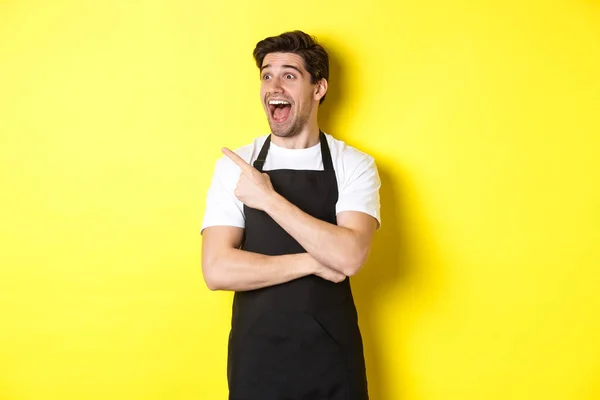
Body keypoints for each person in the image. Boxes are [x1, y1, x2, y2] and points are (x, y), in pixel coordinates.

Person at [200, 30, 381, 400]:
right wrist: (312, 262)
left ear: (318, 89)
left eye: (289, 75)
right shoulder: (236, 165)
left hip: (333, 360)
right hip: (256, 362)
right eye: (267, 75)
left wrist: (267, 199)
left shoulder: (354, 165)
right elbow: (217, 270)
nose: (274, 86)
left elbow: (349, 256)